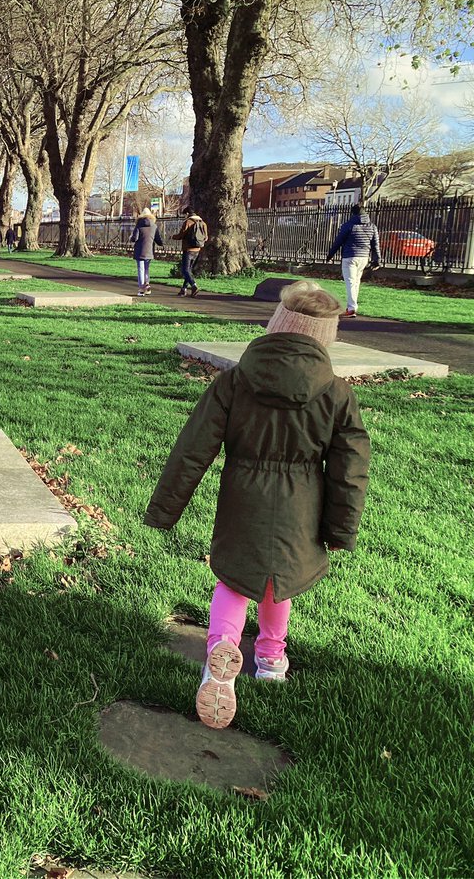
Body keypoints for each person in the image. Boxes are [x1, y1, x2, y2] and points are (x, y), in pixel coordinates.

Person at [144, 280, 370, 730]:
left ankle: (220, 653)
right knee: (278, 583)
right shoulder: (337, 394)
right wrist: (341, 528)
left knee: (233, 577)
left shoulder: (235, 382)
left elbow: (193, 448)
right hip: (301, 506)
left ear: (276, 326)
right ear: (324, 339)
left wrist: (166, 509)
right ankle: (269, 658)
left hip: (241, 498)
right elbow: (350, 467)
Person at [327, 204, 381, 318]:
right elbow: (376, 245)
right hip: (364, 257)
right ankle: (353, 307)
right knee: (356, 282)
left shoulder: (348, 225)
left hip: (349, 256)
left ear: (353, 213)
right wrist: (377, 260)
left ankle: (351, 308)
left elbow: (338, 241)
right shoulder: (372, 226)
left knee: (350, 282)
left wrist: (330, 255)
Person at [171, 206, 207, 296]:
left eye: (184, 214)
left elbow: (181, 235)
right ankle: (184, 289)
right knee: (189, 270)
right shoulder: (203, 223)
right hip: (197, 249)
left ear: (187, 213)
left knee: (185, 270)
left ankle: (194, 286)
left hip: (188, 249)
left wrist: (173, 236)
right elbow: (206, 237)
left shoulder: (188, 222)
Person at [129, 207, 163, 296]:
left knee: (141, 269)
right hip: (149, 251)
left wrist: (131, 238)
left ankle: (141, 289)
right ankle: (147, 286)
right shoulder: (154, 226)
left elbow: (134, 238)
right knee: (146, 269)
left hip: (140, 251)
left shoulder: (139, 225)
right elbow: (158, 240)